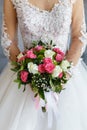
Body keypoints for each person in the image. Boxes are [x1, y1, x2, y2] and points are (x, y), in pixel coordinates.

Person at [0, 0, 87, 129]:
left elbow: (78, 36)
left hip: (67, 75)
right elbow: (9, 41)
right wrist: (29, 74)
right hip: (27, 77)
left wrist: (64, 74)